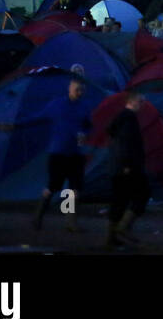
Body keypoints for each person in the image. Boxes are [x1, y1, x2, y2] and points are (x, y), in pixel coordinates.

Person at [33, 76, 94, 232]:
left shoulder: (84, 107)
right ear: (69, 88)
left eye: (81, 90)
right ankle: (37, 218)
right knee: (52, 187)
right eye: (76, 89)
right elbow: (37, 118)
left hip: (75, 153)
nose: (79, 92)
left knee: (75, 189)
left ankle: (70, 223)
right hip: (58, 152)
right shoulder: (57, 105)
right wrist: (14, 125)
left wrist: (84, 134)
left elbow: (88, 126)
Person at [105, 90, 149, 249]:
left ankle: (111, 239)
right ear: (133, 101)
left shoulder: (121, 118)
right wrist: (127, 165)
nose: (142, 105)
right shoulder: (129, 119)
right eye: (141, 101)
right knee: (141, 195)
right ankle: (122, 228)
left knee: (119, 201)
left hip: (118, 166)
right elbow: (126, 144)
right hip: (127, 167)